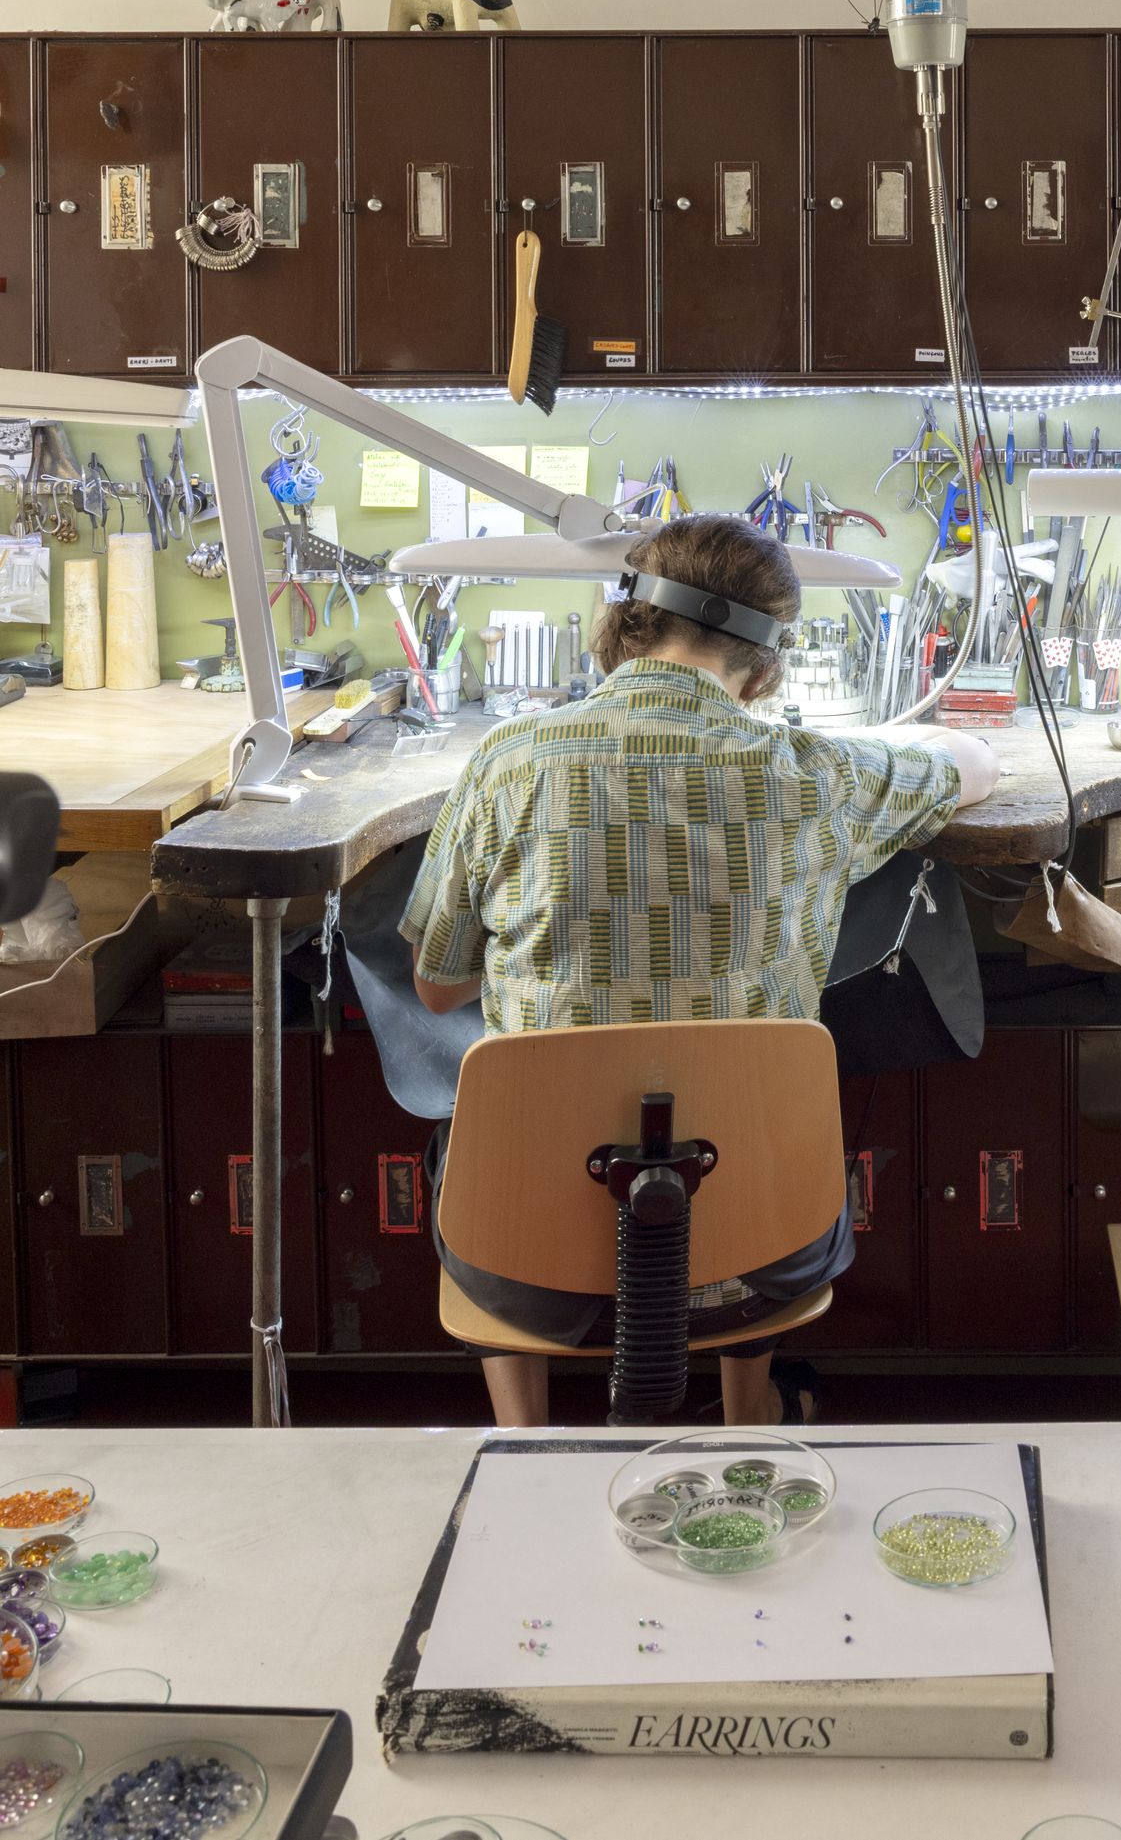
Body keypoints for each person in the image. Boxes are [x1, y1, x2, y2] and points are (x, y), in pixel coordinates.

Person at [400, 513, 999, 1429]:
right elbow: (968, 763)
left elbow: (437, 988)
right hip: (759, 1261)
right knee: (747, 1132)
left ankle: (523, 1443)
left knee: (479, 1122)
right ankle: (743, 1418)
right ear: (764, 665)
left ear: (625, 624)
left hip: (524, 1263)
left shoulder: (509, 763)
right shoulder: (818, 775)